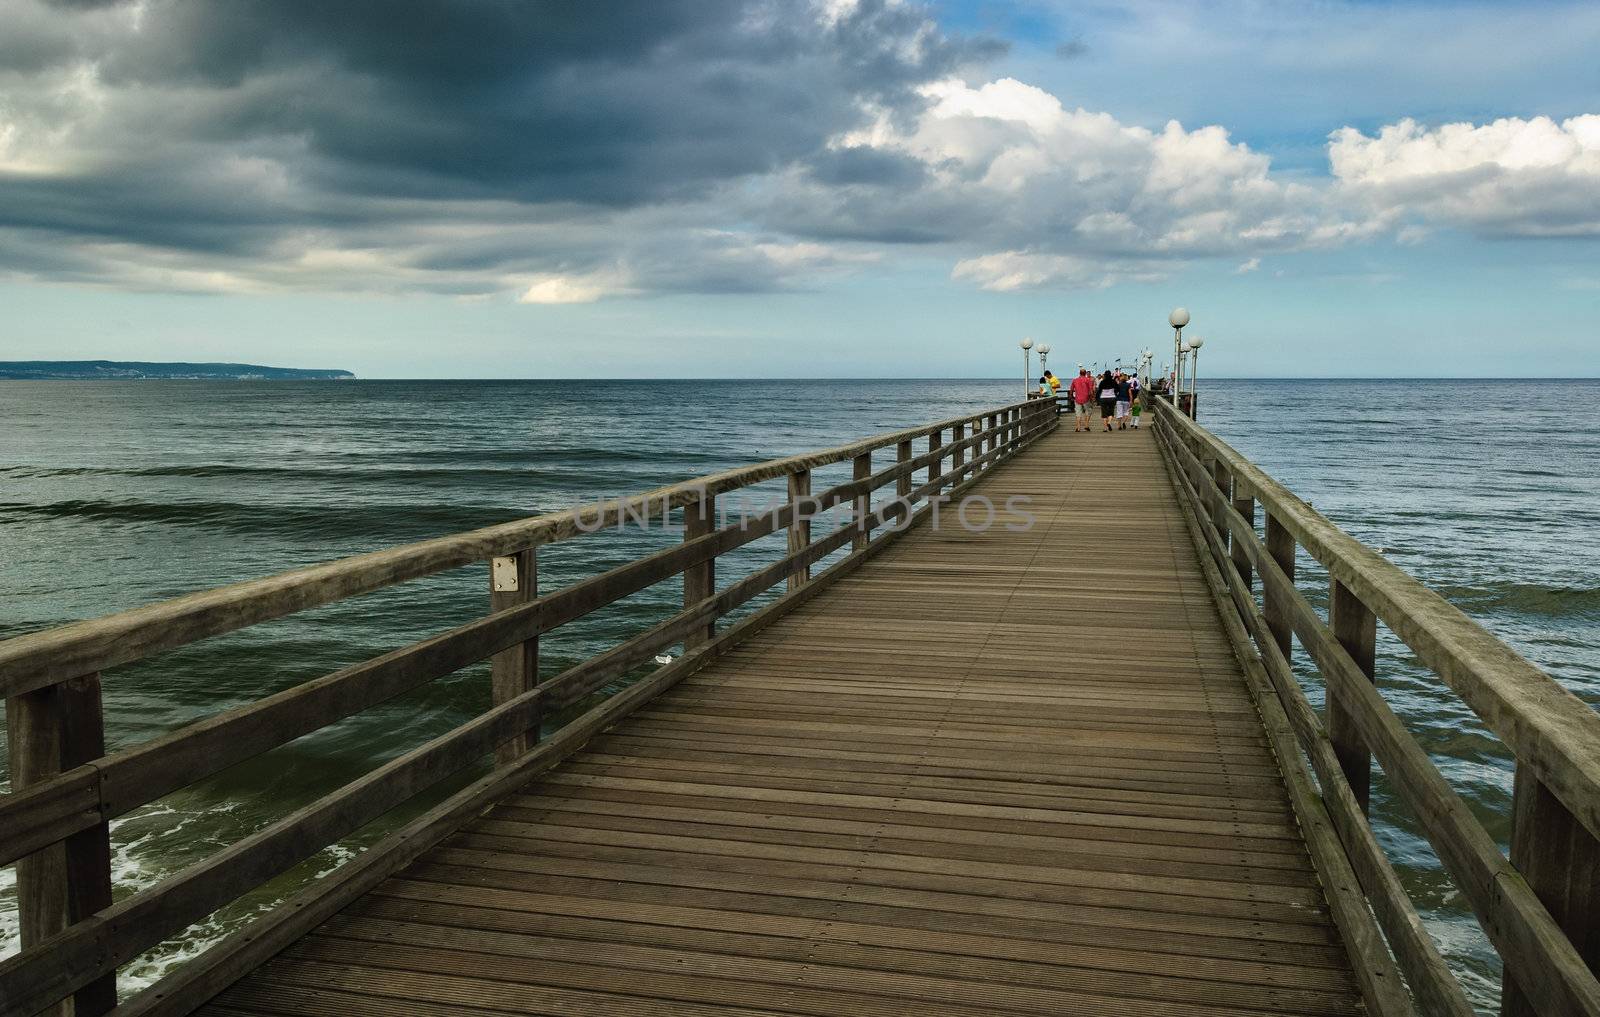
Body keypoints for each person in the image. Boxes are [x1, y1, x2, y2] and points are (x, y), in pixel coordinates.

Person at [1069, 368, 1095, 432]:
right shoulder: (1088, 380)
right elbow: (1091, 391)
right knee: (1088, 411)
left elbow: (1071, 389)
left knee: (1078, 413)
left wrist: (1071, 396)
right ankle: (1086, 425)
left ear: (1079, 373)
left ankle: (1078, 427)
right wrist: (1092, 398)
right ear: (1085, 373)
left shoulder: (1075, 380)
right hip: (1086, 399)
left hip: (1077, 399)